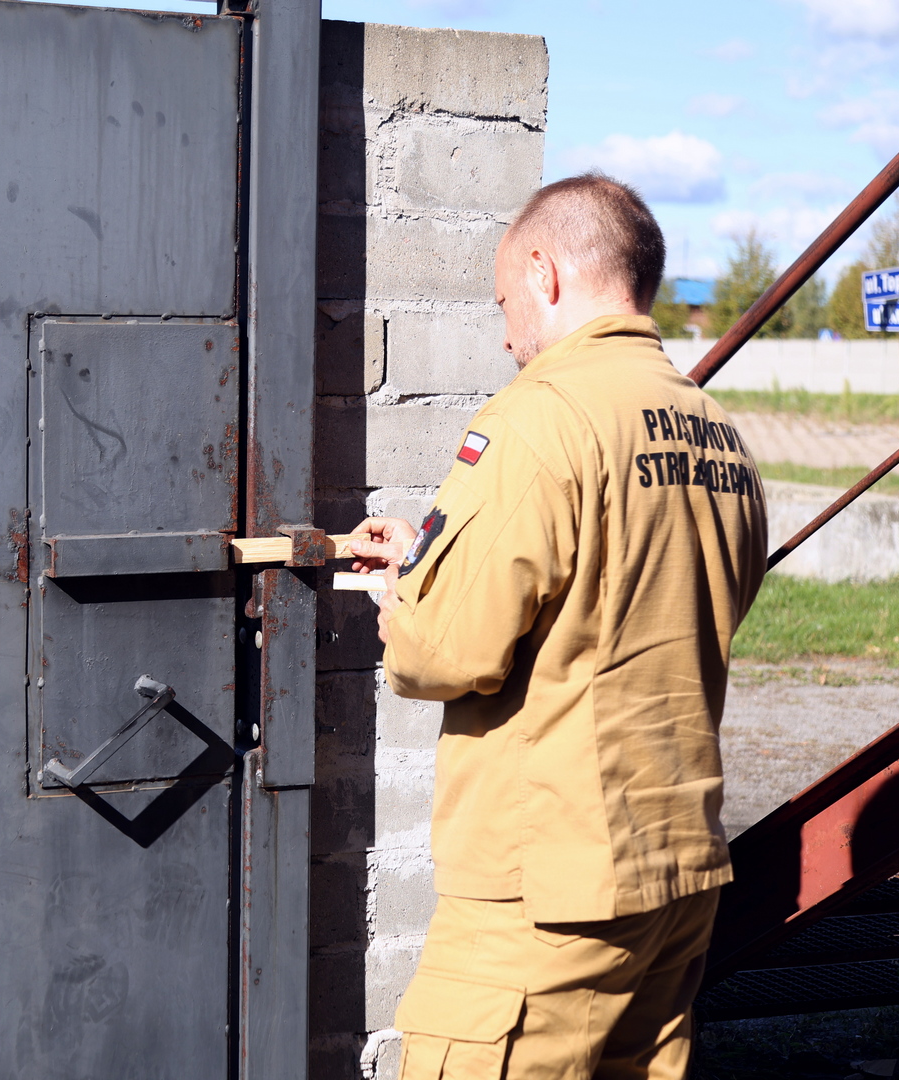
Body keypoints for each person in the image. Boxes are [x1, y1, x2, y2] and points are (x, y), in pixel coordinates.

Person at [348, 173, 768, 1079]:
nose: (506, 336)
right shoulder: (717, 434)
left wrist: (406, 603)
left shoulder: (541, 417)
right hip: (676, 873)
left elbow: (442, 651)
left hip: (548, 894)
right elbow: (646, 602)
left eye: (505, 302)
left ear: (543, 272)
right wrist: (431, 565)